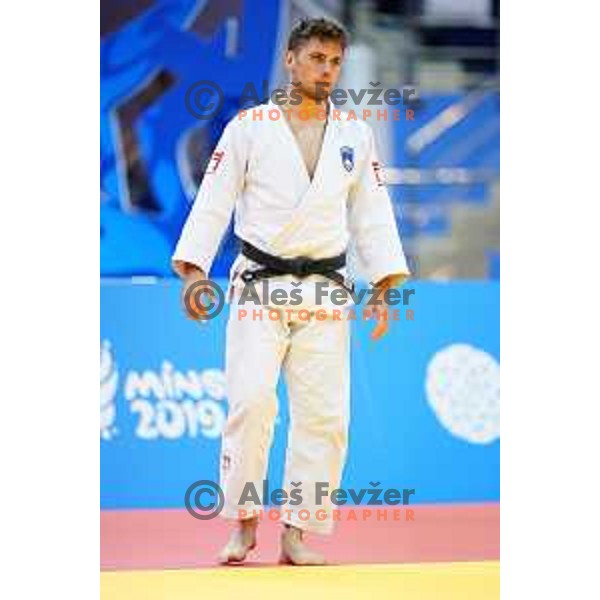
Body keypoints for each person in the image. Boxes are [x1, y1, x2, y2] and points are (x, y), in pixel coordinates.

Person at [172, 17, 409, 566]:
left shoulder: (354, 132)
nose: (326, 71)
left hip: (326, 289)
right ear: (291, 59)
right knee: (252, 404)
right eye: (317, 59)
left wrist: (387, 283)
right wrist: (193, 271)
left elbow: (371, 212)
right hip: (259, 285)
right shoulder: (249, 127)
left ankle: (298, 532)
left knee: (324, 417)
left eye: (334, 62)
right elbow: (213, 200)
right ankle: (244, 523)